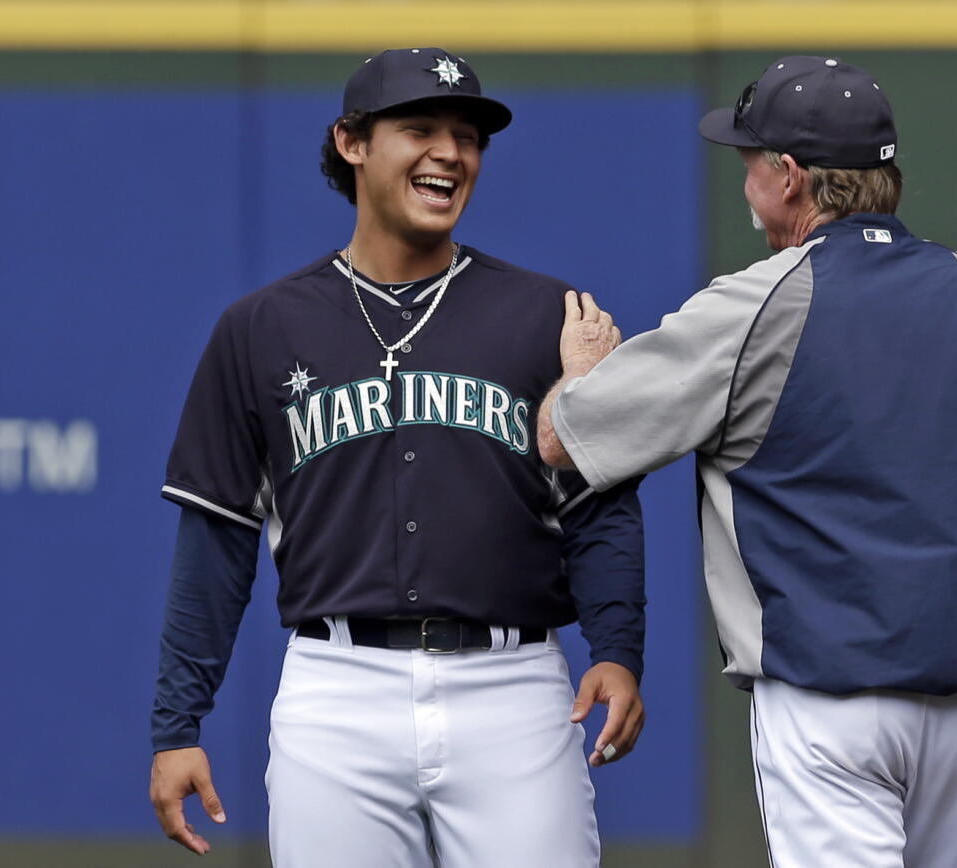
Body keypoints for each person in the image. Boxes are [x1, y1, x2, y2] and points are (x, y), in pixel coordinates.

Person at [538, 55, 957, 868]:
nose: (745, 175)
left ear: (789, 177)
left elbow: (563, 442)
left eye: (751, 157)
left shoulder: (750, 306)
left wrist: (581, 373)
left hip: (828, 700)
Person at [148, 47, 646, 868]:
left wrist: (619, 651)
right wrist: (176, 726)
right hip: (337, 690)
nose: (449, 153)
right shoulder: (260, 329)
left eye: (467, 136)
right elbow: (215, 540)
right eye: (419, 129)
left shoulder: (546, 316)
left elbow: (600, 510)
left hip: (514, 690)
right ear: (351, 142)